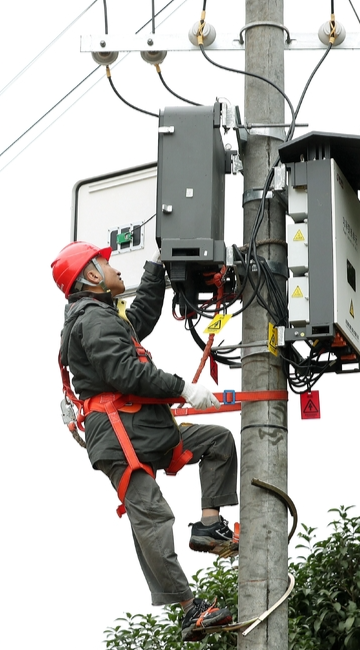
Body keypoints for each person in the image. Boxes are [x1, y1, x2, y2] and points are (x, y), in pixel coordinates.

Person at [52, 240, 239, 642]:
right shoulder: (94, 321)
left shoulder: (102, 317)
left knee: (216, 441)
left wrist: (156, 268)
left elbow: (140, 318)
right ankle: (191, 611)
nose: (116, 268)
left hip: (143, 426)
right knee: (152, 519)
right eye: (105, 262)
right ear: (89, 276)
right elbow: (127, 375)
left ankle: (208, 527)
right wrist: (183, 390)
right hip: (121, 437)